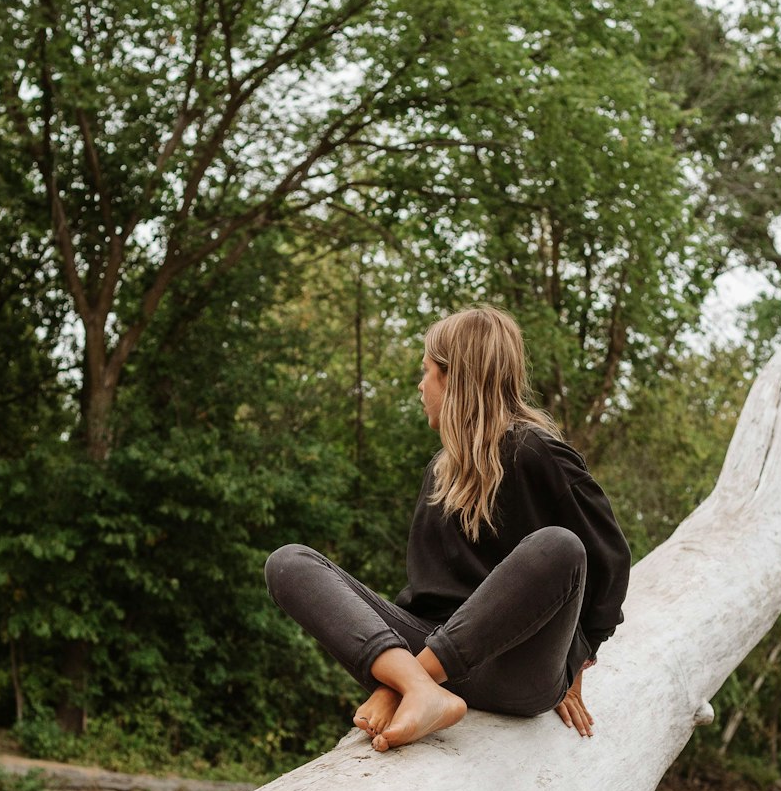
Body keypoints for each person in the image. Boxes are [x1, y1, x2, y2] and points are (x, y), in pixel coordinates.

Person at [265, 306, 630, 753]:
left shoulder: (539, 454)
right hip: (435, 646)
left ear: (454, 379)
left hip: (519, 671)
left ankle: (404, 686)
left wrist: (574, 666)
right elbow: (425, 595)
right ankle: (418, 685)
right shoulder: (439, 473)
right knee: (289, 563)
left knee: (559, 546)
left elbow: (608, 566)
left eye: (426, 372)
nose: (421, 387)